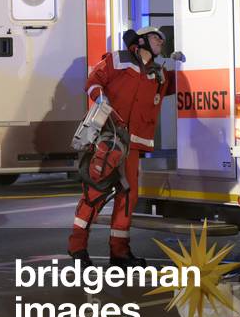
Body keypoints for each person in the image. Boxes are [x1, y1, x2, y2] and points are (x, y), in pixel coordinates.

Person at [68, 27, 179, 269]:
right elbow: (92, 82)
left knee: (128, 197)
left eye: (162, 39)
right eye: (155, 37)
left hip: (134, 144)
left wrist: (184, 65)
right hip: (109, 140)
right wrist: (101, 98)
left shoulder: (159, 72)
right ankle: (77, 249)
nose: (161, 41)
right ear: (141, 41)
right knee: (95, 194)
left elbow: (175, 86)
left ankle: (120, 254)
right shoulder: (118, 60)